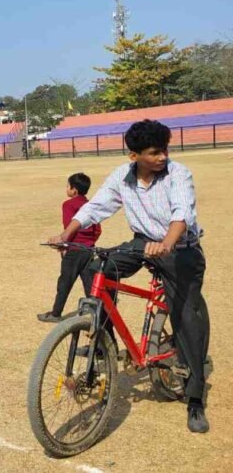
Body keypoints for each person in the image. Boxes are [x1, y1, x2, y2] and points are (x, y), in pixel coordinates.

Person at [49, 119, 210, 433]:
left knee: (187, 318)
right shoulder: (122, 178)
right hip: (142, 243)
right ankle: (101, 336)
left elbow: (181, 213)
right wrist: (66, 233)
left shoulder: (178, 174)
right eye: (154, 152)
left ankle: (195, 398)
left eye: (164, 150)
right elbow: (95, 207)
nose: (163, 157)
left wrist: (166, 244)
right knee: (97, 267)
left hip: (179, 248)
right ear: (134, 156)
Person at [37, 173, 101, 323]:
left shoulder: (68, 205)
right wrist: (89, 242)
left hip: (74, 251)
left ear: (74, 190)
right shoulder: (90, 205)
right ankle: (96, 313)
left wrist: (64, 245)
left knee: (64, 283)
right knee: (89, 283)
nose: (66, 188)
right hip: (88, 250)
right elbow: (98, 229)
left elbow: (69, 228)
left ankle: (56, 313)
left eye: (68, 186)